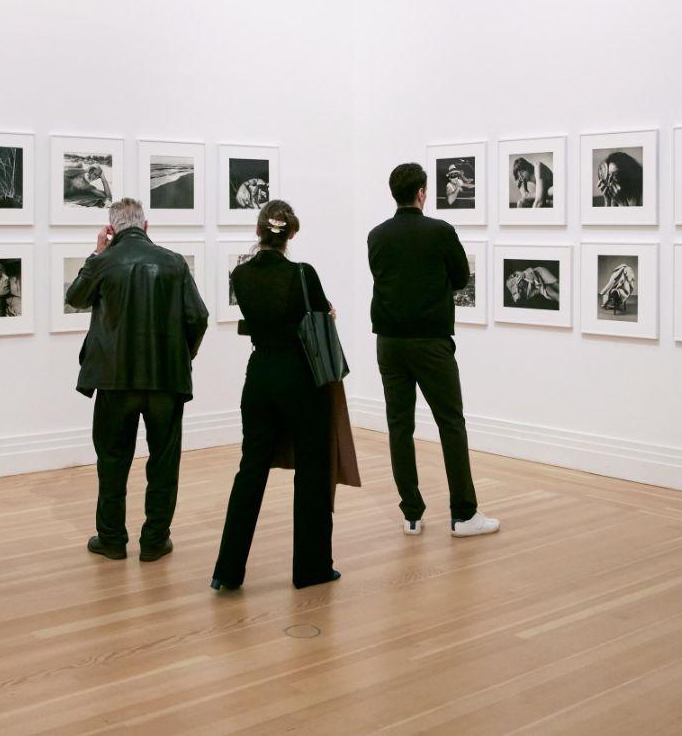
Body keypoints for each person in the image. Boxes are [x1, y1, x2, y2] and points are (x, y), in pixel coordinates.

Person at [66, 197, 208, 562]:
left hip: (115, 382)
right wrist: (182, 355)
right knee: (163, 461)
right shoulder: (174, 263)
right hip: (165, 381)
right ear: (146, 226)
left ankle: (112, 539)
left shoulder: (105, 262)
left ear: (111, 230)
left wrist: (96, 254)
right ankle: (155, 540)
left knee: (112, 460)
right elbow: (199, 317)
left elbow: (75, 297)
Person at [212, 200, 343, 590]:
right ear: (292, 235)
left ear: (258, 232)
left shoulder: (240, 275)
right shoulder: (303, 274)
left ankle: (227, 571)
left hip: (259, 377)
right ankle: (311, 568)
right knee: (313, 471)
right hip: (302, 378)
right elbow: (321, 314)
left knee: (250, 470)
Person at [368, 163, 499, 538]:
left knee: (399, 426)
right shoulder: (440, 232)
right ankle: (463, 514)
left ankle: (411, 513)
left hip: (389, 342)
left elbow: (382, 276)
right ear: (422, 193)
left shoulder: (376, 236)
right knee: (451, 423)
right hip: (430, 342)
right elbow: (460, 277)